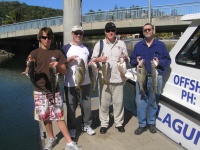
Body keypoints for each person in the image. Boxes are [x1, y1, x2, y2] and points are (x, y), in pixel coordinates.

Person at [22, 27, 81, 150]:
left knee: (59, 116)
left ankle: (69, 143)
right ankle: (51, 138)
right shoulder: (34, 53)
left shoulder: (57, 53)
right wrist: (28, 66)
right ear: (40, 38)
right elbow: (28, 68)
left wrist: (58, 65)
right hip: (39, 91)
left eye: (49, 37)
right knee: (45, 117)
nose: (47, 40)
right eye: (44, 37)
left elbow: (64, 71)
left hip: (55, 90)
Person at [130, 23, 171, 135]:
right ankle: (142, 124)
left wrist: (159, 62)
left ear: (153, 31)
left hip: (156, 77)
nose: (147, 31)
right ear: (143, 32)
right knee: (140, 102)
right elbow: (132, 60)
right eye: (145, 30)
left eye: (149, 29)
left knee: (154, 101)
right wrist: (136, 61)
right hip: (142, 77)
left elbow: (168, 61)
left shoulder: (161, 45)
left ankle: (151, 123)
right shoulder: (138, 45)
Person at [90, 22, 128, 134]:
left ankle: (119, 123)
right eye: (108, 30)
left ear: (115, 31)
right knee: (104, 103)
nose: (110, 32)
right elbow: (92, 60)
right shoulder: (99, 44)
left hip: (119, 78)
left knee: (118, 103)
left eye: (112, 30)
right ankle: (104, 123)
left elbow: (127, 59)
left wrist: (125, 58)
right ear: (105, 32)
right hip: (104, 79)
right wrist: (98, 60)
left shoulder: (121, 43)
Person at [62, 25, 95, 139]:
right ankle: (71, 128)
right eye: (76, 33)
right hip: (70, 84)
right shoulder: (66, 48)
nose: (78, 35)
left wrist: (91, 64)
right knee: (71, 107)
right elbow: (61, 65)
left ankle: (87, 125)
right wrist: (69, 59)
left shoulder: (86, 47)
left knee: (86, 106)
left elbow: (90, 61)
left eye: (80, 33)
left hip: (85, 82)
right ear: (72, 34)